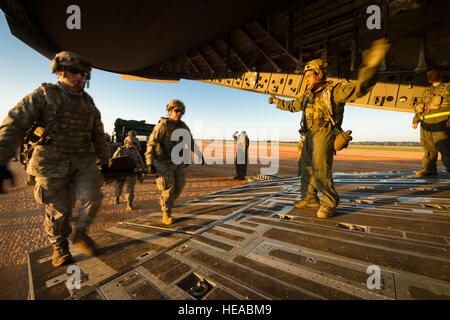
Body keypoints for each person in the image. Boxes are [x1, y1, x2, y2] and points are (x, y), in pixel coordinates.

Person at [0, 51, 110, 267]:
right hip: (50, 164)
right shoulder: (43, 96)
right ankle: (60, 247)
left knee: (94, 197)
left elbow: (98, 133)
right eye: (75, 71)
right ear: (60, 71)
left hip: (82, 162)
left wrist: (105, 161)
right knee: (59, 213)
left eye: (84, 73)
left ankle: (80, 233)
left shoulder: (89, 104)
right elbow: (14, 124)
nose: (81, 77)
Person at [268, 38, 390, 219]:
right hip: (308, 135)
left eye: (309, 75)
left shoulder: (334, 91)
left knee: (320, 170)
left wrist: (371, 67)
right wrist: (277, 101)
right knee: (305, 167)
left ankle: (329, 203)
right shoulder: (308, 95)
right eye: (305, 76)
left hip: (324, 133)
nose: (306, 79)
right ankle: (309, 198)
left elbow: (358, 89)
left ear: (319, 74)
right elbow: (293, 106)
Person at [145, 100, 204, 225]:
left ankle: (166, 201)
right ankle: (166, 214)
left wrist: (198, 154)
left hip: (178, 162)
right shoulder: (163, 125)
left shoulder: (183, 126)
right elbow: (151, 143)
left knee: (179, 187)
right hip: (164, 163)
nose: (179, 114)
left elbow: (190, 141)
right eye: (177, 111)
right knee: (169, 189)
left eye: (182, 111)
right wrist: (149, 162)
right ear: (170, 111)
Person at [412, 66, 450, 176]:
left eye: (432, 74)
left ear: (441, 73)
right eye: (428, 74)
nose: (429, 76)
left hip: (441, 121)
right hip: (426, 123)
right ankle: (429, 169)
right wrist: (416, 120)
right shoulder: (427, 91)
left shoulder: (447, 87)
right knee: (428, 147)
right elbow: (420, 106)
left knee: (444, 146)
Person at [112, 135, 145, 211]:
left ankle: (129, 203)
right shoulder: (121, 150)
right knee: (119, 186)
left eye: (133, 144)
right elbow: (114, 159)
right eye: (130, 143)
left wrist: (143, 168)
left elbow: (139, 159)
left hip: (132, 172)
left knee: (130, 189)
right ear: (126, 142)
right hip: (121, 172)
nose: (132, 145)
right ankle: (116, 197)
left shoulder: (135, 150)